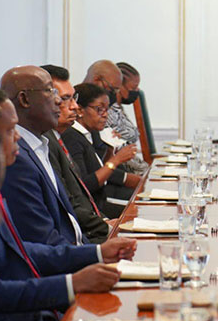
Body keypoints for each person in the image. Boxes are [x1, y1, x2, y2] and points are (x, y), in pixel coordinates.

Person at [0, 84, 127, 321]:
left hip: (37, 316)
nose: (17, 137)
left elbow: (22, 251)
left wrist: (95, 253)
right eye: (9, 130)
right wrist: (72, 283)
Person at [0, 65, 92, 245]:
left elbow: (72, 230)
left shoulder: (42, 144)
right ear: (24, 99)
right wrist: (96, 256)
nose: (59, 101)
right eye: (51, 91)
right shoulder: (17, 157)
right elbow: (42, 240)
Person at [40, 64, 110, 242]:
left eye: (74, 98)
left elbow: (81, 196)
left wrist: (105, 221)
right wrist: (107, 226)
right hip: (80, 239)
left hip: (93, 227)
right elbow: (68, 205)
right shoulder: (44, 144)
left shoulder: (56, 138)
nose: (75, 107)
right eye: (65, 99)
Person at [62, 83, 141, 218]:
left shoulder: (90, 133)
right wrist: (116, 160)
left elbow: (99, 169)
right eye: (99, 109)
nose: (105, 115)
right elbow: (86, 185)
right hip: (93, 210)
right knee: (141, 211)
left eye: (107, 109)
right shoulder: (72, 137)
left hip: (100, 203)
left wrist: (111, 149)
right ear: (80, 110)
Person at [106, 61, 149, 175]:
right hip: (126, 171)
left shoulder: (118, 108)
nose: (137, 91)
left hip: (135, 166)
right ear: (120, 86)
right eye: (134, 87)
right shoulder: (109, 112)